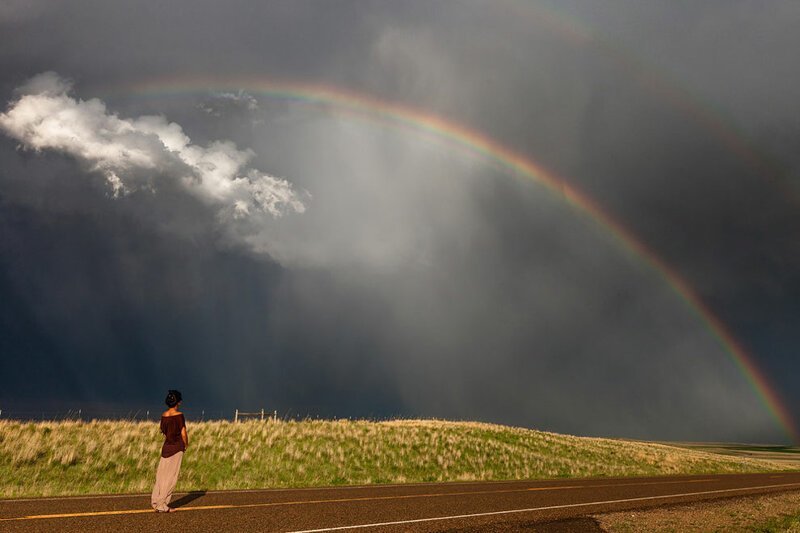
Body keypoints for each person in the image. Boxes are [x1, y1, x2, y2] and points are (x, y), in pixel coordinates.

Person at [151, 389, 188, 513]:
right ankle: (163, 505)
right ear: (178, 402)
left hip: (166, 448)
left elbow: (164, 432)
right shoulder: (179, 415)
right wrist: (186, 444)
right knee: (171, 477)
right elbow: (183, 433)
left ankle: (156, 501)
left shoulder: (164, 415)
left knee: (161, 476)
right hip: (176, 448)